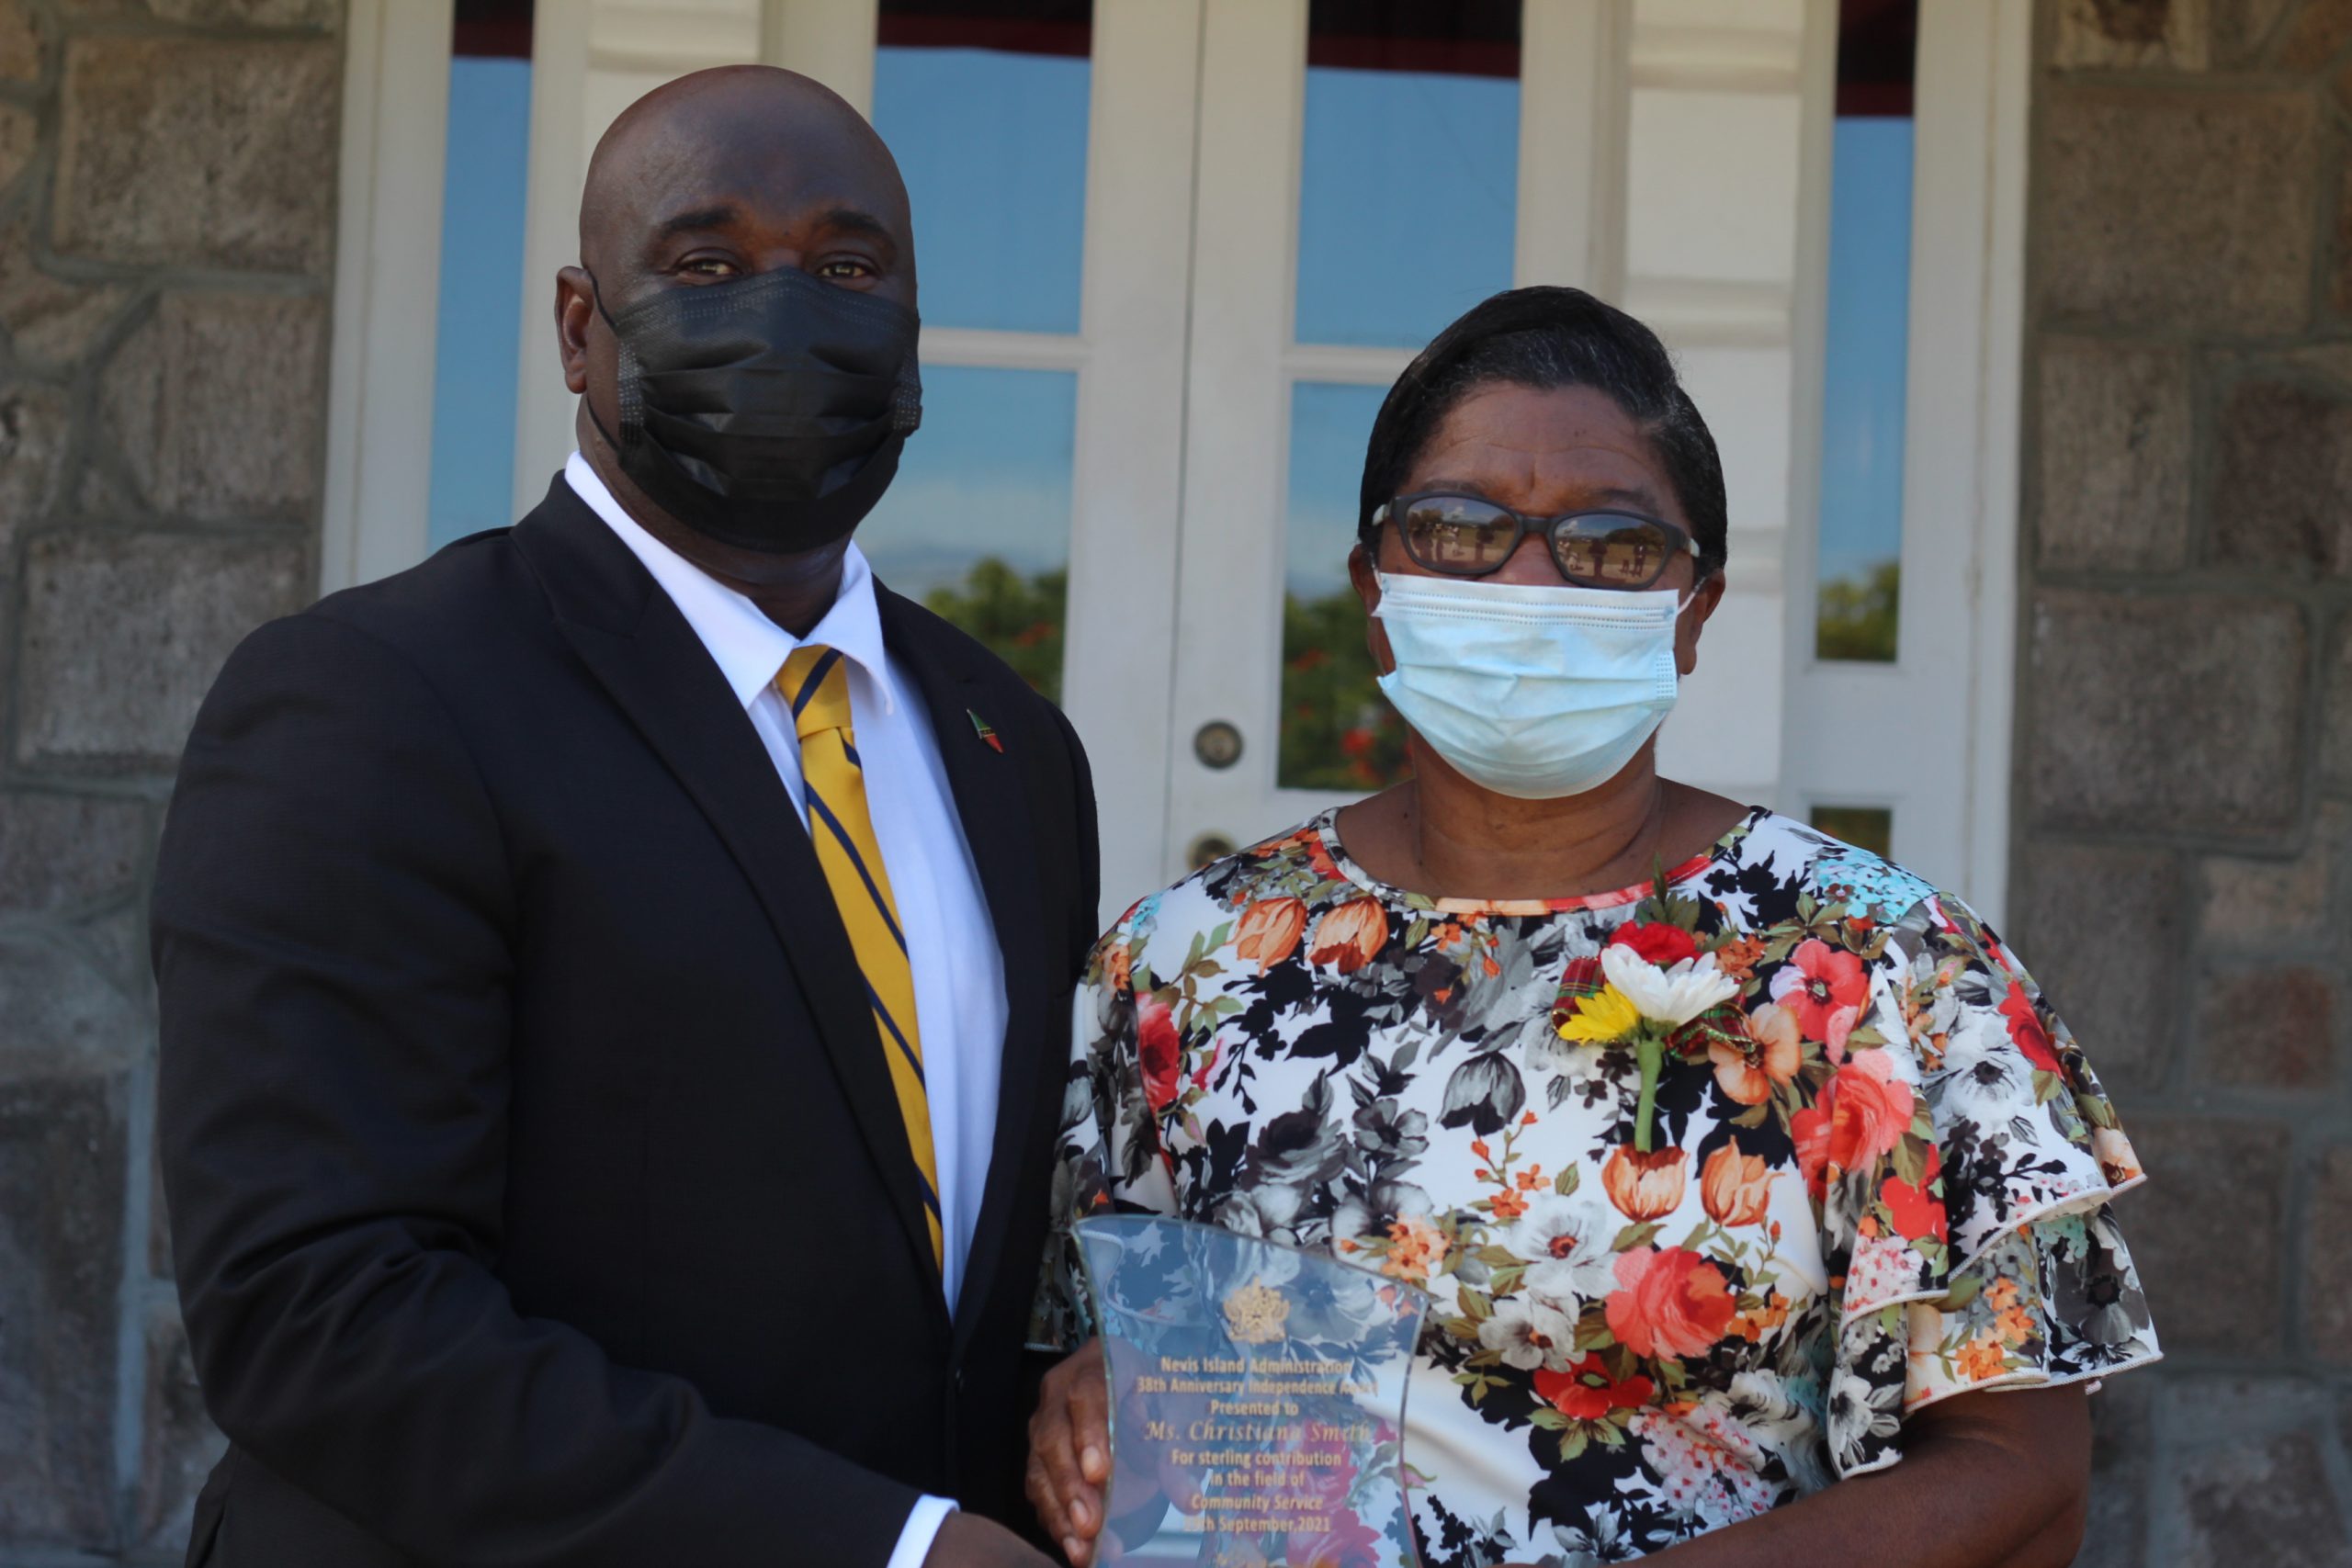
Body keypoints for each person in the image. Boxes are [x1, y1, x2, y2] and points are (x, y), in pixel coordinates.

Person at [1024, 288, 2156, 1567]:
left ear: (1697, 604)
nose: (1525, 582)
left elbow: (2024, 1477)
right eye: (1456, 530)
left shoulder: (1888, 972)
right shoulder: (1187, 964)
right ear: (1371, 581)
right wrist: (1092, 1395)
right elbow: (1099, 1365)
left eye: (1610, 544)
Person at [154, 66, 1091, 1567]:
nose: (782, 315)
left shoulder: (1011, 745)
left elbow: (970, 1283)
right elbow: (318, 1316)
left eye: (847, 269)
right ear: (581, 328)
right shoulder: (371, 701)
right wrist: (884, 1549)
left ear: (911, 329)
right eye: (706, 265)